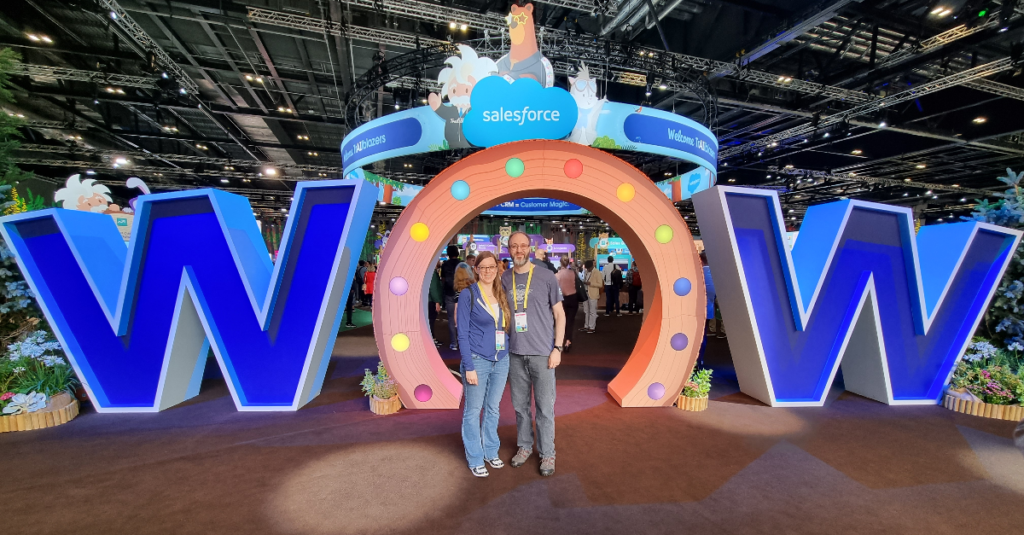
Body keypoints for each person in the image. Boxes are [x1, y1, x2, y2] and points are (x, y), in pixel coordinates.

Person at [503, 231, 565, 477]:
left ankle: (547, 452)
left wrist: (557, 348)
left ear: (530, 248)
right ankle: (525, 446)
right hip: (514, 354)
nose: (519, 250)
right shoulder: (504, 278)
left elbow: (560, 314)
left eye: (523, 246)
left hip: (543, 354)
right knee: (519, 406)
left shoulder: (547, 276)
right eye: (514, 246)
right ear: (508, 249)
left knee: (545, 407)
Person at [456, 252, 511, 477]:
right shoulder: (468, 295)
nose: (488, 271)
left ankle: (490, 451)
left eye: (492, 267)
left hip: (501, 359)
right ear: (476, 269)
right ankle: (475, 457)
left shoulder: (502, 292)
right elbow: (462, 334)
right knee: (473, 411)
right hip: (477, 360)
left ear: (498, 269)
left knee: (493, 408)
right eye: (483, 267)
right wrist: (468, 366)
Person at [555, 256, 579, 353]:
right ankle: (568, 341)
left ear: (560, 263)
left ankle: (560, 341)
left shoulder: (557, 275)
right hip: (573, 298)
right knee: (570, 321)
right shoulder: (573, 273)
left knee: (562, 320)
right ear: (569, 263)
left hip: (563, 299)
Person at [441, 245, 463, 351]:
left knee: (450, 318)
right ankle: (462, 341)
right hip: (461, 293)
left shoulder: (445, 264)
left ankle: (454, 344)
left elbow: (443, 279)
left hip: (449, 293)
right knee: (462, 318)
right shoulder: (462, 264)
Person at [698, 252, 716, 366]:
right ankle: (700, 359)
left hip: (697, 310)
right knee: (703, 336)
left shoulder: (699, 273)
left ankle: (695, 361)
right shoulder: (714, 274)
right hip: (708, 309)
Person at [452, 262, 476, 328]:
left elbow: (456, 312)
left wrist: (457, 324)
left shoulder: (458, 293)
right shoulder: (474, 289)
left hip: (464, 323)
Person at [583, 259, 602, 333]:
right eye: (587, 268)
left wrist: (590, 283)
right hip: (586, 292)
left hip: (593, 294)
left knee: (592, 311)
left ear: (592, 266)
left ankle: (592, 327)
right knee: (586, 311)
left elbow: (600, 284)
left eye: (589, 268)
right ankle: (586, 325)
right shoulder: (586, 271)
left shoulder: (597, 272)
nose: (588, 269)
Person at [428, 263, 444, 347]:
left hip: (428, 300)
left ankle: (432, 338)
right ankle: (432, 339)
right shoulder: (432, 273)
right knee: (431, 321)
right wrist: (437, 302)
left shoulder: (428, 272)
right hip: (432, 301)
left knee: (429, 320)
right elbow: (433, 288)